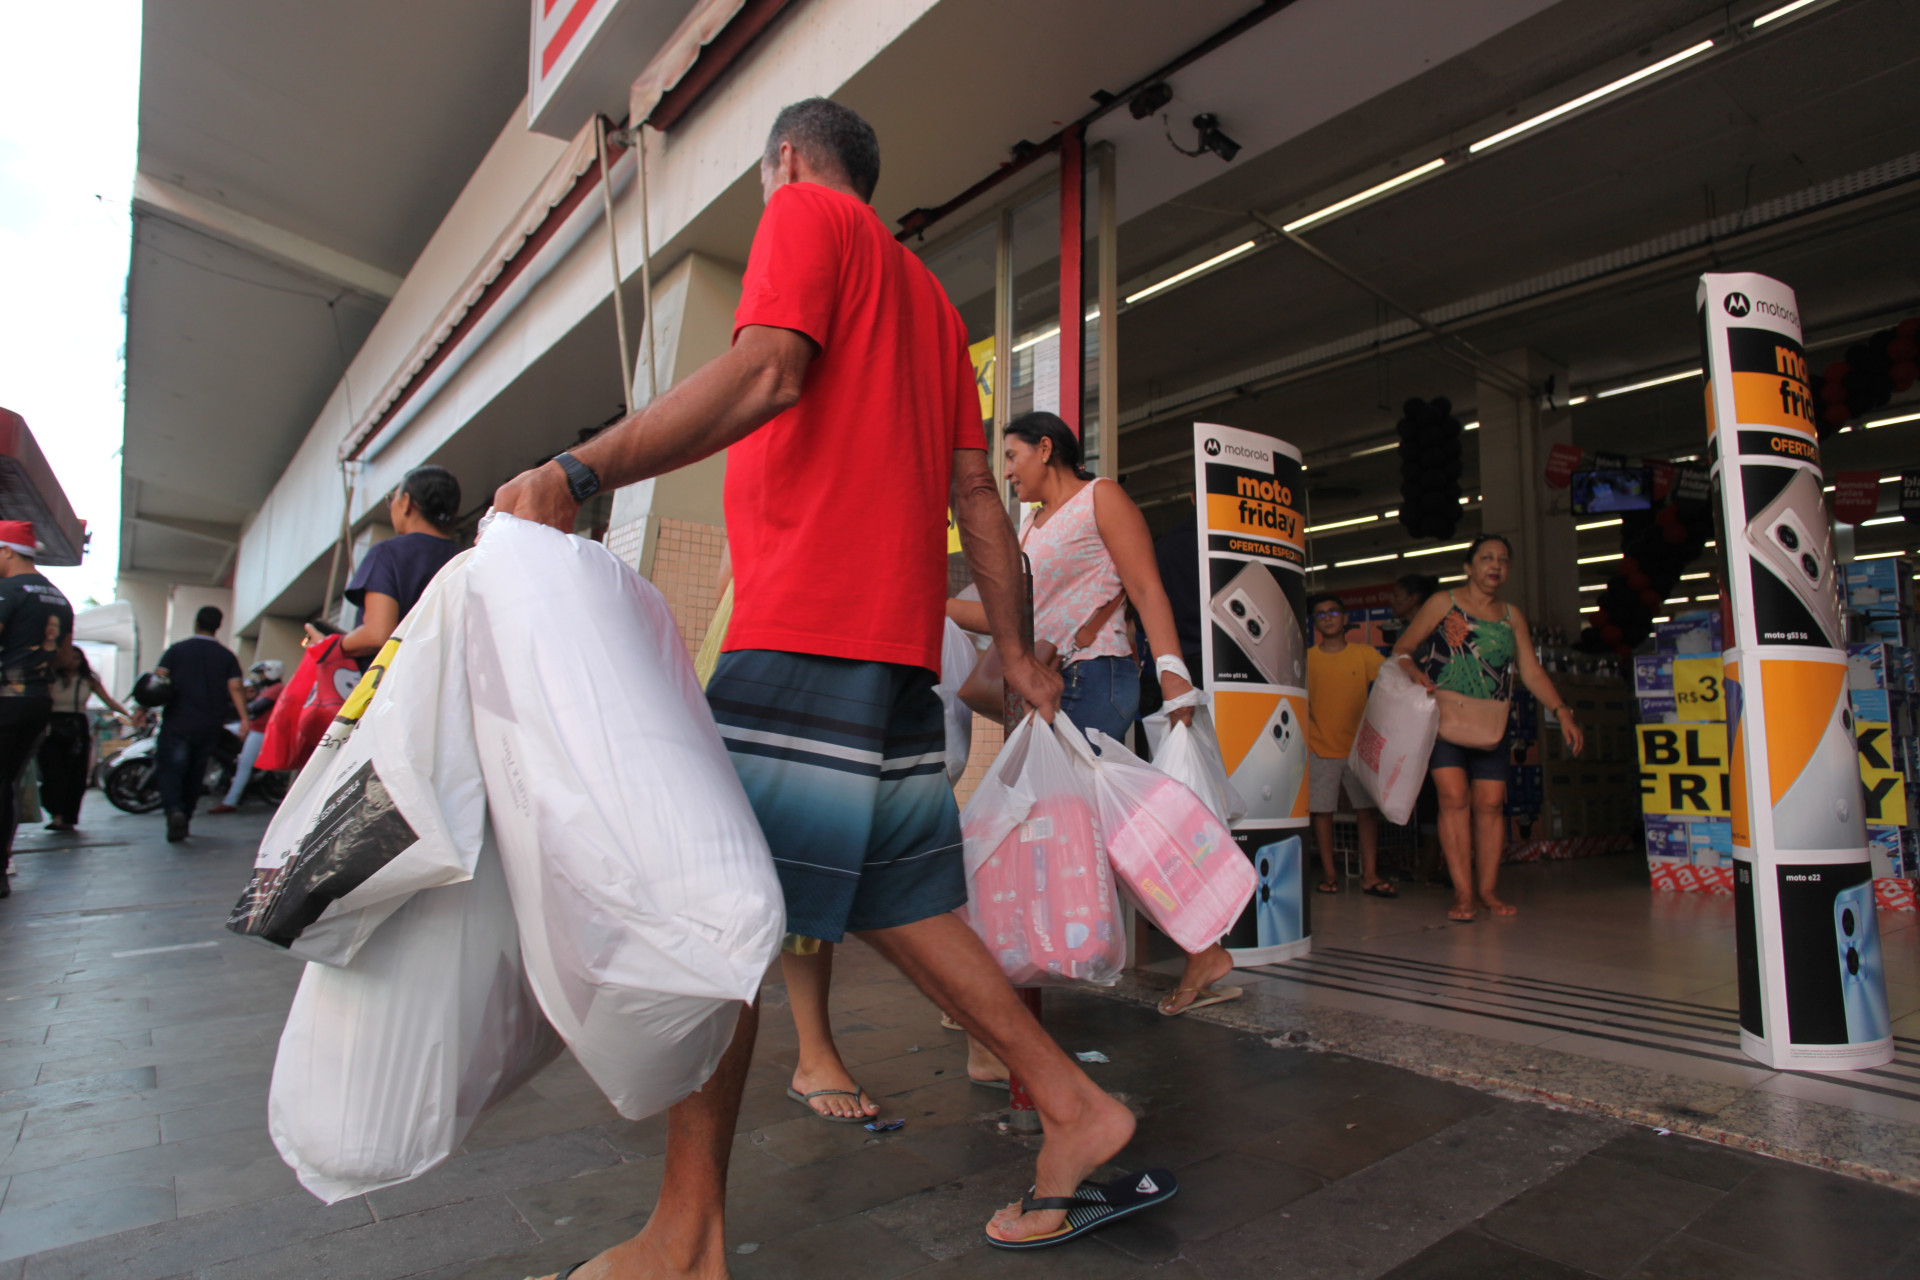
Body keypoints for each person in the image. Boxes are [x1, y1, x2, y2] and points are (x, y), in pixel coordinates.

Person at [492, 98, 1151, 1272]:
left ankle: (686, 1236)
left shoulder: (803, 214)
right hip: (893, 650)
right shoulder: (935, 307)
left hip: (803, 635)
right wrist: (1008, 651)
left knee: (721, 917)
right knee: (900, 903)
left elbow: (766, 373)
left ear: (786, 161)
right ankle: (1073, 1105)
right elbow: (979, 502)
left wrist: (577, 470)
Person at [950, 411, 1234, 1022]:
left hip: (1096, 678)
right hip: (1049, 688)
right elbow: (1016, 618)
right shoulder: (1029, 527)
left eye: (1012, 457)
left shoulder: (1100, 498)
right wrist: (937, 603)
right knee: (1092, 830)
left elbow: (1146, 586)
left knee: (1062, 824)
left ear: (1046, 449)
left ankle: (1009, 977)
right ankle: (1197, 949)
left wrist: (1173, 674)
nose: (1006, 472)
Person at [1392, 535, 1584, 922]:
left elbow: (1529, 670)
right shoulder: (1442, 603)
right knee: (1453, 798)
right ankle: (1464, 894)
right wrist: (1414, 673)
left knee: (1492, 805)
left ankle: (1489, 891)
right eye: (1486, 558)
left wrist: (1561, 710)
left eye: (1503, 560)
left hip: (1491, 723)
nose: (1495, 566)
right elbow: (1402, 649)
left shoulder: (1512, 616)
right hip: (1444, 718)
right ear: (1468, 566)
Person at [0, 521, 73, 895]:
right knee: (7, 781)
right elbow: (65, 659)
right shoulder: (60, 598)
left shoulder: (6, 591)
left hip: (5, 697)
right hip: (38, 701)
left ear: (8, 550)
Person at [1303, 593, 1391, 897]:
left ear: (1343, 619)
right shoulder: (1306, 659)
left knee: (1367, 812)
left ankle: (1370, 875)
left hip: (1359, 748)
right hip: (1318, 747)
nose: (1327, 618)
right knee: (1322, 813)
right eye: (1320, 614)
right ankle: (1329, 874)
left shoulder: (1364, 654)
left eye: (1332, 612)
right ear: (1314, 622)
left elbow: (1392, 681)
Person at [340, 466, 463, 661]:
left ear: (406, 503)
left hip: (394, 685)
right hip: (448, 680)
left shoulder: (387, 554)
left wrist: (334, 645)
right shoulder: (464, 558)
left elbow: (377, 634)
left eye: (393, 498)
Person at [153, 606, 249, 843]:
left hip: (178, 720)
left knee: (172, 768)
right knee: (196, 770)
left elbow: (158, 681)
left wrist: (143, 709)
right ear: (219, 626)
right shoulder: (226, 656)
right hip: (209, 723)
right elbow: (235, 687)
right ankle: (185, 814)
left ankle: (174, 809)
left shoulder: (176, 651)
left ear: (196, 622)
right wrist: (245, 718)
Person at [40, 645, 133, 832]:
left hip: (77, 725)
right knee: (52, 771)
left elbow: (109, 701)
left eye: (76, 658)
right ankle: (56, 814)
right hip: (54, 723)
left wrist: (129, 717)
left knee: (76, 772)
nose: (72, 662)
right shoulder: (51, 677)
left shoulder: (88, 680)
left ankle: (68, 816)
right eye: (69, 657)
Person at [206, 659, 283, 814]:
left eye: (262, 673)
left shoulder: (276, 689)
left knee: (244, 766)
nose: (260, 677)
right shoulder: (268, 689)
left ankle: (231, 801)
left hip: (260, 731)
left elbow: (256, 708)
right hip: (256, 728)